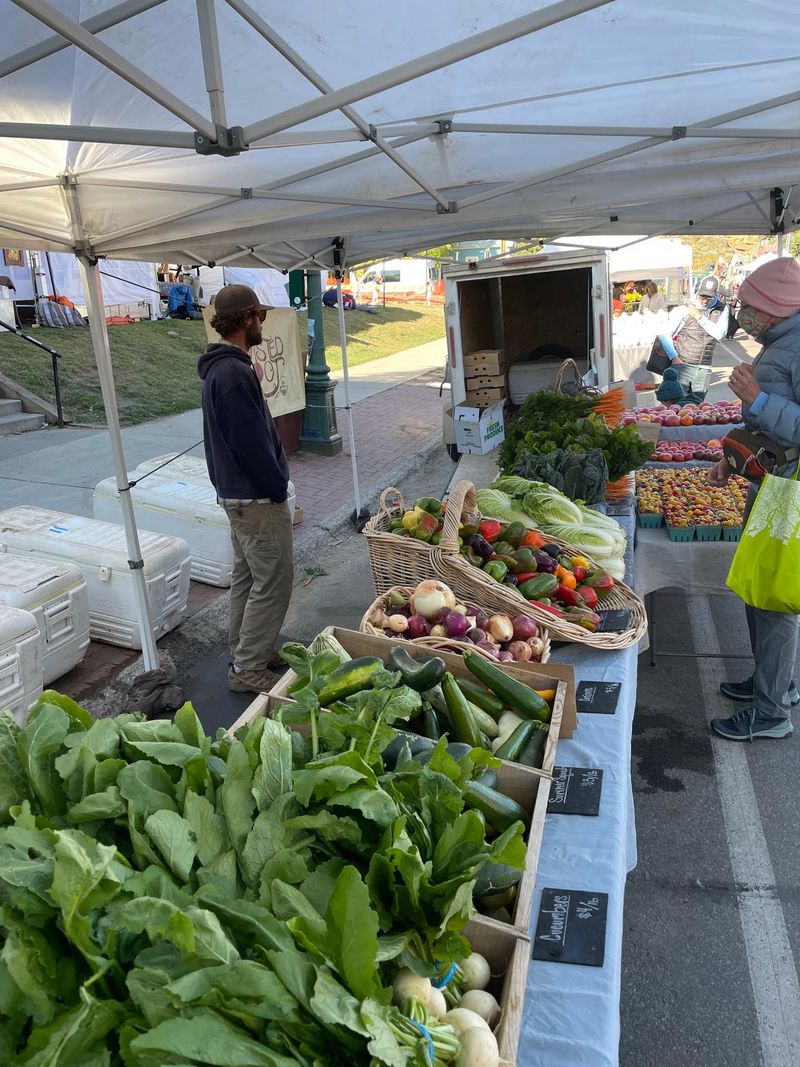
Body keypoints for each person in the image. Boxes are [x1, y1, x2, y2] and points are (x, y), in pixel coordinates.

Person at [706, 256, 800, 740]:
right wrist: (736, 455)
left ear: (774, 307)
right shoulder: (779, 342)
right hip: (772, 482)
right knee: (759, 590)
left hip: (790, 496)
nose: (742, 314)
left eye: (749, 306)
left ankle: (771, 712)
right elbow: (769, 429)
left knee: (776, 600)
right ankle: (774, 681)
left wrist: (759, 398)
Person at [198, 284, 293, 694]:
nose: (263, 325)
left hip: (237, 496)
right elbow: (249, 443)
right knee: (273, 580)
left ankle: (247, 648)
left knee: (248, 577)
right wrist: (277, 487)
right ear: (246, 319)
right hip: (254, 498)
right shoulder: (233, 373)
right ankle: (249, 666)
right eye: (260, 317)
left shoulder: (225, 368)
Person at [657, 275, 729, 403]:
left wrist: (699, 317)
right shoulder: (685, 308)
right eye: (702, 296)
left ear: (716, 294)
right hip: (682, 364)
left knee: (697, 408)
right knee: (675, 407)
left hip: (704, 368)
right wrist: (674, 357)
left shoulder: (722, 309)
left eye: (709, 297)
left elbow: (720, 335)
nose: (705, 301)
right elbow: (664, 334)